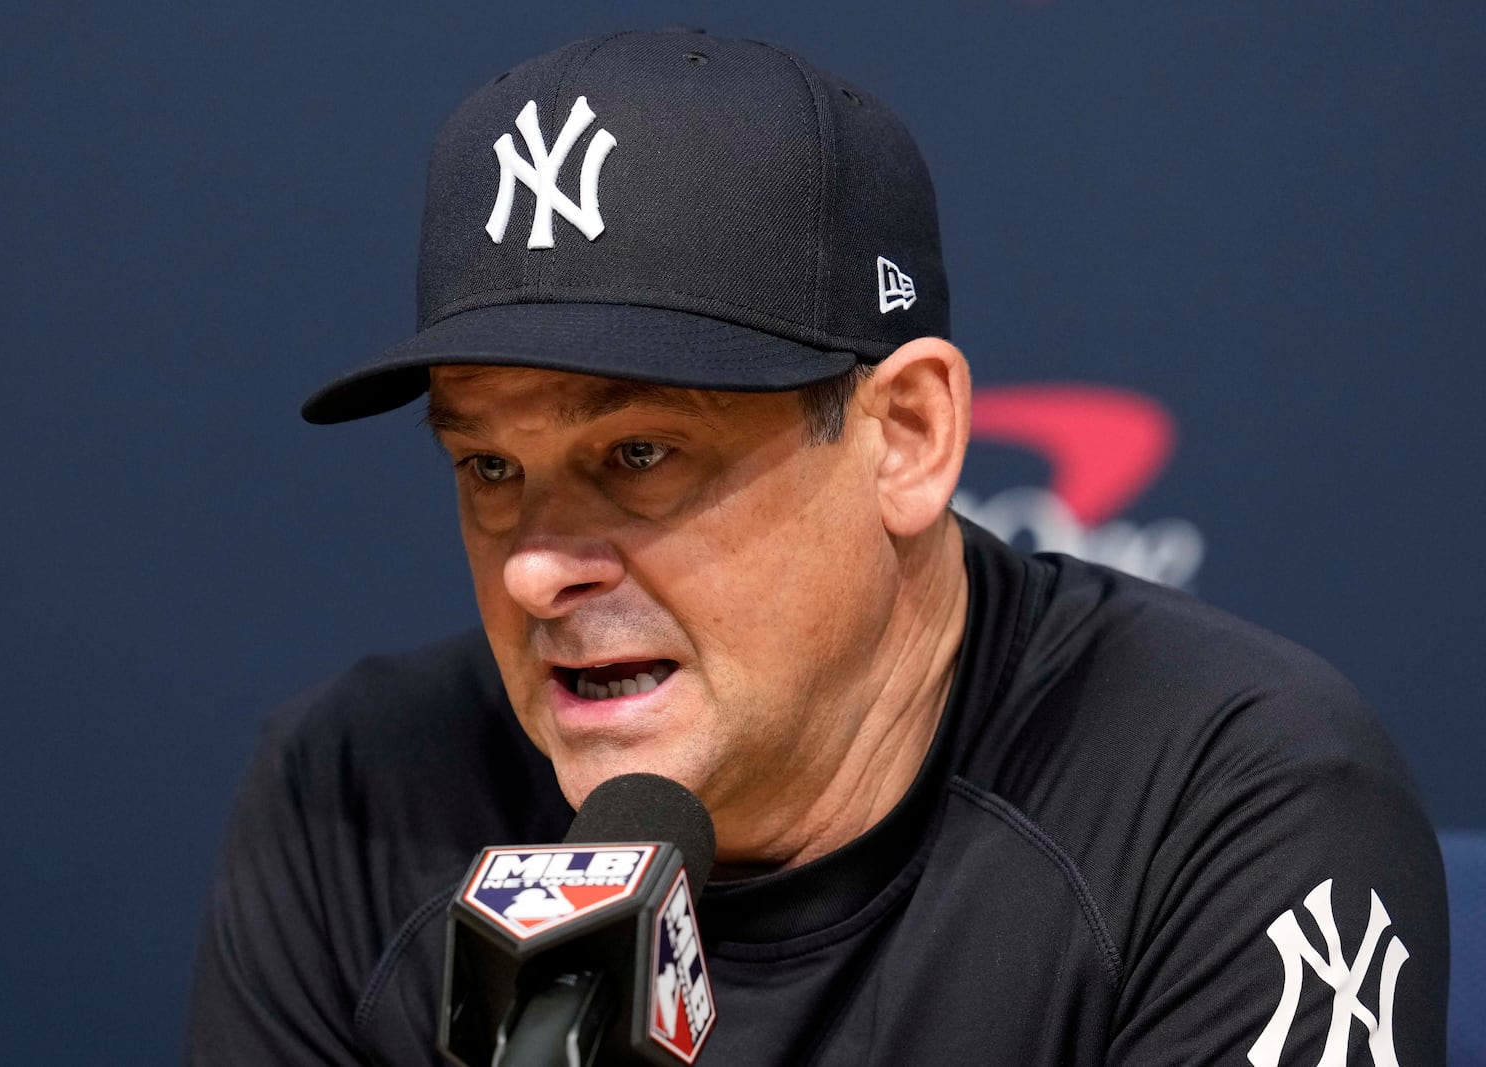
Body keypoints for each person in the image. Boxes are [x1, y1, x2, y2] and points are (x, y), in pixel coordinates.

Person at [184, 29, 1449, 1066]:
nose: (534, 568)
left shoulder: (1222, 796)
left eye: (640, 454)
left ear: (904, 434)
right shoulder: (350, 797)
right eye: (490, 468)